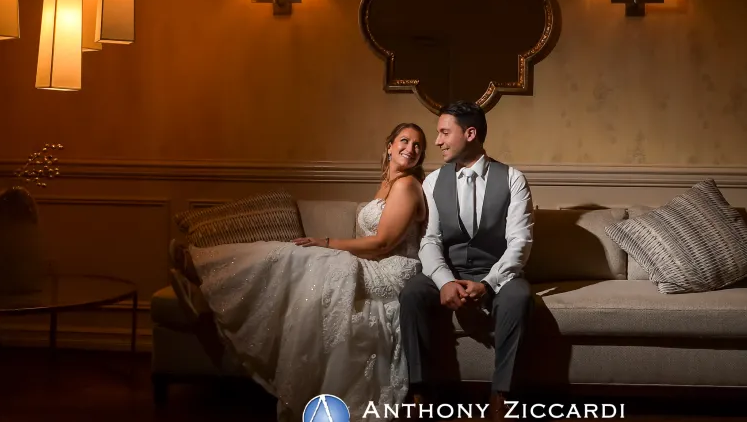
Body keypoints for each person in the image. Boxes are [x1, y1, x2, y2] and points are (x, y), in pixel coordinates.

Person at [187, 123, 428, 421]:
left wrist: (326, 242)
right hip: (376, 262)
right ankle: (205, 271)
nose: (411, 148)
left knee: (312, 260)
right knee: (302, 260)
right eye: (404, 141)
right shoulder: (387, 184)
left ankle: (203, 272)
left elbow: (382, 244)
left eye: (418, 145)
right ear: (390, 145)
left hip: (393, 269)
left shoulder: (406, 185)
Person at [399, 101, 534, 422]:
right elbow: (429, 241)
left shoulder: (513, 179)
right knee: (412, 294)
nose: (438, 141)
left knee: (520, 297)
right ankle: (421, 391)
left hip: (497, 273)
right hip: (450, 269)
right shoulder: (432, 182)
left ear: (470, 133)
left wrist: (489, 284)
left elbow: (520, 242)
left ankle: (501, 394)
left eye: (445, 133)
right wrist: (445, 281)